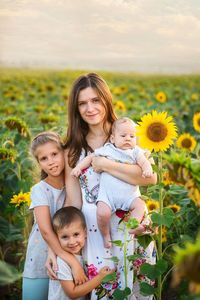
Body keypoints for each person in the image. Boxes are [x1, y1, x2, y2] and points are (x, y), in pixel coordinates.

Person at [46, 73, 157, 299]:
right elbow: (73, 202)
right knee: (107, 289)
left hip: (131, 224)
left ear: (106, 100)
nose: (90, 108)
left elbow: (149, 178)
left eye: (95, 100)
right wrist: (55, 249)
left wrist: (105, 164)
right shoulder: (73, 150)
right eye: (82, 103)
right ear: (75, 109)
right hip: (96, 232)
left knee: (139, 289)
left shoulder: (127, 135)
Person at [22, 132, 87, 300]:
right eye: (44, 159)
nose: (50, 161)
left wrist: (73, 263)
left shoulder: (73, 187)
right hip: (41, 260)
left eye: (54, 154)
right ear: (39, 163)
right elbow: (45, 231)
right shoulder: (40, 190)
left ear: (63, 154)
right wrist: (73, 263)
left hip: (69, 258)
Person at [71, 117, 153, 248]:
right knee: (102, 213)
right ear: (113, 138)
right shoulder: (108, 149)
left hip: (129, 195)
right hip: (108, 196)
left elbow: (144, 162)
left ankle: (134, 225)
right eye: (123, 135)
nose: (128, 138)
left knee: (140, 205)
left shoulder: (136, 151)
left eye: (132, 136)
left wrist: (147, 169)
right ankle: (106, 235)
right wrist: (78, 168)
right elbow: (91, 157)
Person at [48, 206, 114, 300]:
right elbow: (72, 293)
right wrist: (100, 277)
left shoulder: (86, 253)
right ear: (57, 238)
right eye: (65, 237)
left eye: (76, 234)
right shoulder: (61, 262)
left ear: (85, 233)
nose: (71, 241)